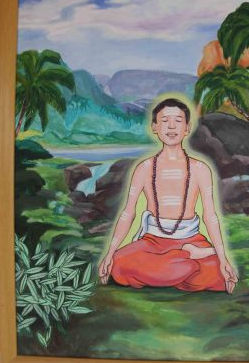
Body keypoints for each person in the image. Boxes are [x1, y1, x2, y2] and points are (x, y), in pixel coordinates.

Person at [98, 97, 238, 293]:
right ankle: (185, 262)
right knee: (118, 263)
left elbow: (210, 215)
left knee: (217, 272)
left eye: (178, 121)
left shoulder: (200, 168)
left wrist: (223, 259)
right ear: (155, 127)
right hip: (152, 242)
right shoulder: (144, 167)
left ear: (187, 128)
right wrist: (109, 253)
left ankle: (176, 266)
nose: (171, 126)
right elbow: (128, 213)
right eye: (165, 121)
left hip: (191, 240)